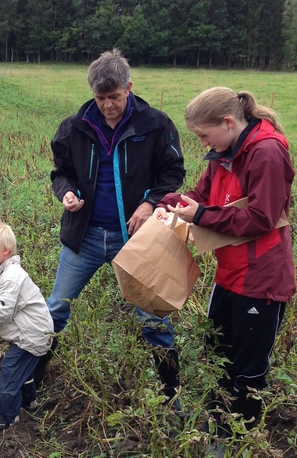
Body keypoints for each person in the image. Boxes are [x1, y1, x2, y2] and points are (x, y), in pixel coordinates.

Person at [36, 49, 186, 411]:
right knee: (54, 310)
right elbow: (61, 172)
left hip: (136, 240)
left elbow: (172, 173)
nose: (107, 106)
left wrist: (150, 203)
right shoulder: (75, 126)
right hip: (84, 238)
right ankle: (28, 387)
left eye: (114, 97)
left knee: (153, 318)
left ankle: (172, 398)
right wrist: (66, 193)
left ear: (128, 87)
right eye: (101, 98)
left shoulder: (155, 124)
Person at [155, 87, 295, 443]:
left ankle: (237, 440)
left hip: (261, 279)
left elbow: (263, 218)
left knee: (247, 370)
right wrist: (170, 203)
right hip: (229, 274)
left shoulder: (266, 153)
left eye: (204, 135)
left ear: (229, 122)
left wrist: (201, 216)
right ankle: (219, 426)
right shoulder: (224, 153)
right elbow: (201, 196)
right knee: (217, 354)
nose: (203, 142)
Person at [0, 221, 54, 430]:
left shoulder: (11, 277)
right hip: (36, 334)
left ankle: (7, 416)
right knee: (23, 370)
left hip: (31, 337)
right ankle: (29, 402)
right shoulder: (7, 271)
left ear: (5, 250)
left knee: (10, 371)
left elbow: (3, 310)